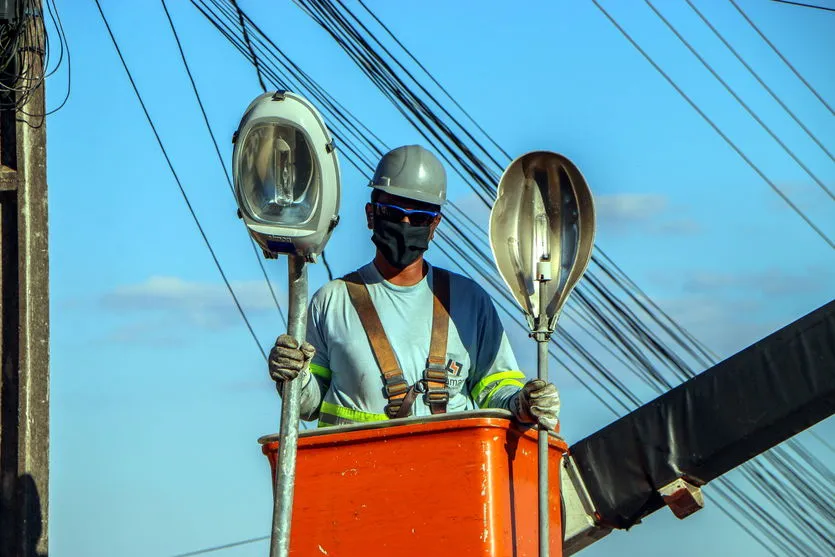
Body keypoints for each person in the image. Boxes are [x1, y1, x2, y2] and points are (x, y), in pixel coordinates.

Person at [267, 145, 560, 430]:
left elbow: (496, 387)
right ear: (371, 215)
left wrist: (523, 404)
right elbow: (307, 405)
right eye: (393, 214)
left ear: (434, 225)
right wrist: (295, 377)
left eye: (419, 218)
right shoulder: (332, 301)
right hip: (356, 473)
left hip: (452, 472)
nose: (406, 224)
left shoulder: (469, 301)